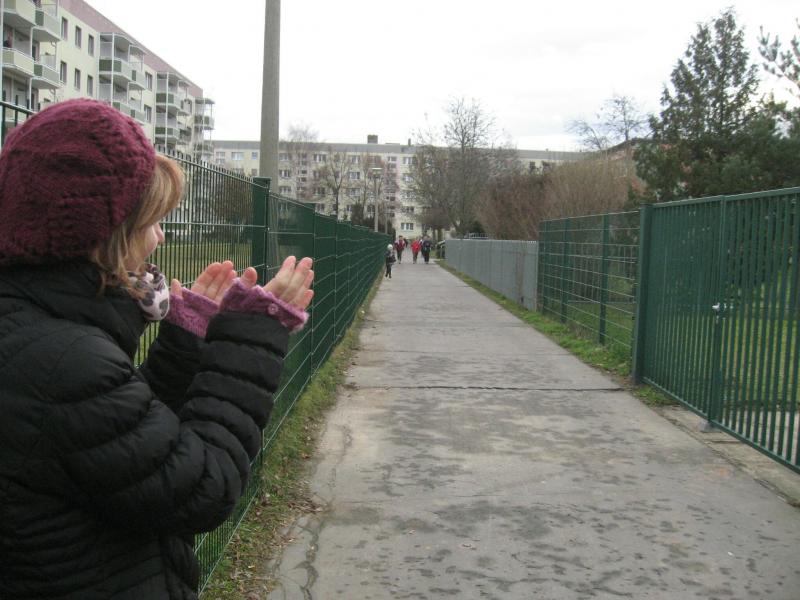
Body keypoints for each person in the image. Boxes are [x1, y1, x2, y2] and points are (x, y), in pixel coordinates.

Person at [0, 99, 314, 600]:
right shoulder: (61, 360)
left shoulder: (32, 331)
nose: (159, 237)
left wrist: (186, 344)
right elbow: (203, 485)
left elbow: (114, 447)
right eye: (148, 222)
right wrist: (251, 339)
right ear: (101, 236)